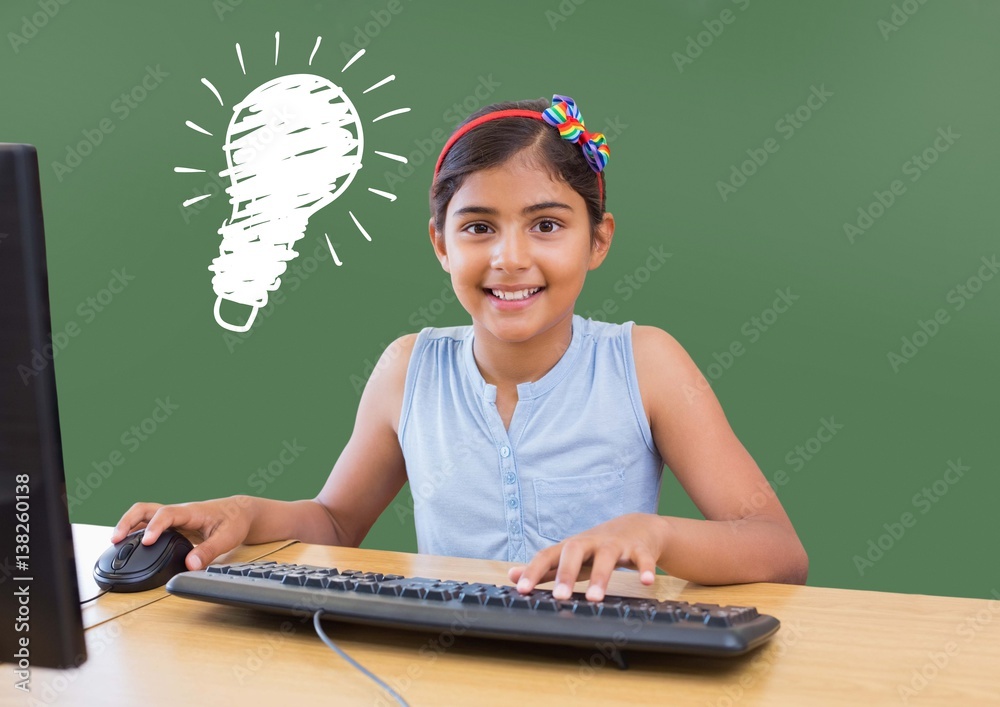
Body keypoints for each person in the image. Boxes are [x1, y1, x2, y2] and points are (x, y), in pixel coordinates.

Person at [113, 94, 808, 602]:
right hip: (446, 665)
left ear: (598, 241)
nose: (510, 257)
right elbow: (333, 521)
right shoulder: (408, 369)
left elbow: (777, 547)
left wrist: (653, 534)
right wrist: (245, 511)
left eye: (546, 224)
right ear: (441, 244)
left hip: (607, 669)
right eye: (478, 227)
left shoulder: (645, 363)